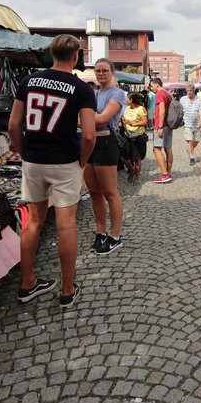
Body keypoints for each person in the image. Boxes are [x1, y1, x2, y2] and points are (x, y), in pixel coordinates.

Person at [9, 34, 96, 308]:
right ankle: (67, 290)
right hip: (64, 161)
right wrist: (82, 162)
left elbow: (13, 125)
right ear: (76, 57)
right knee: (66, 225)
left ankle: (27, 283)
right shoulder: (81, 89)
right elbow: (90, 136)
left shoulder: (28, 82)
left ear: (50, 54)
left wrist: (24, 153)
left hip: (34, 160)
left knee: (33, 222)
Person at [83, 58, 127, 256]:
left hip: (106, 144)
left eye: (104, 71)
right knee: (94, 192)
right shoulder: (93, 93)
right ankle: (100, 232)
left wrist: (82, 120)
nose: (101, 74)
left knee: (110, 193)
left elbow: (102, 119)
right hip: (89, 143)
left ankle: (115, 236)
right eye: (98, 71)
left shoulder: (117, 93)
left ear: (112, 71)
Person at [149, 78, 174, 183]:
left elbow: (162, 109)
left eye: (151, 85)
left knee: (156, 149)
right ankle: (168, 173)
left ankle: (164, 174)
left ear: (157, 84)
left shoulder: (159, 93)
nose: (151, 88)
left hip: (162, 124)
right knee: (168, 148)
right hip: (168, 124)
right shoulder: (168, 93)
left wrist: (159, 126)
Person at [121, 92, 148, 183]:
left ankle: (135, 176)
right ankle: (131, 170)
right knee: (124, 156)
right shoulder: (127, 108)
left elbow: (145, 122)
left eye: (127, 98)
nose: (126, 100)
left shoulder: (141, 109)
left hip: (138, 137)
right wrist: (124, 122)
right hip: (127, 135)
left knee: (137, 158)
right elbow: (124, 119)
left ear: (131, 99)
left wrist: (134, 123)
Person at [180, 84, 201, 165]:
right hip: (187, 123)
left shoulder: (198, 100)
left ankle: (189, 150)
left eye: (190, 91)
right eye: (187, 91)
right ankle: (192, 157)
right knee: (189, 140)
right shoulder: (183, 99)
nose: (189, 92)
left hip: (196, 124)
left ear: (194, 91)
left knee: (197, 140)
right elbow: (180, 111)